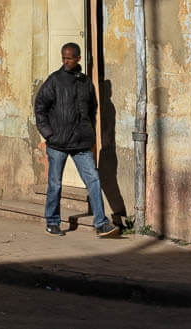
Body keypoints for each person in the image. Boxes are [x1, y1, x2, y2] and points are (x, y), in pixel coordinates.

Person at [34, 42, 119, 238]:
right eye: (63, 58)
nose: (66, 62)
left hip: (81, 143)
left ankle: (101, 224)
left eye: (69, 58)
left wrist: (89, 132)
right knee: (55, 184)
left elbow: (92, 109)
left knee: (94, 180)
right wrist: (49, 133)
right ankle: (52, 222)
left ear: (78, 58)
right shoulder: (54, 81)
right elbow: (40, 107)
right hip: (58, 143)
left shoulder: (85, 82)